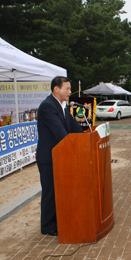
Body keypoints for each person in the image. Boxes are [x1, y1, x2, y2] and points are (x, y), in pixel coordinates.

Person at [36, 77, 84, 236]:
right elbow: (59, 132)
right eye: (67, 89)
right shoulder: (47, 106)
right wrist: (72, 145)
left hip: (60, 157)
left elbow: (73, 126)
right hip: (49, 157)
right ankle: (48, 226)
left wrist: (86, 138)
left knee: (60, 190)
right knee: (50, 192)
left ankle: (59, 220)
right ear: (56, 89)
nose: (70, 92)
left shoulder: (63, 106)